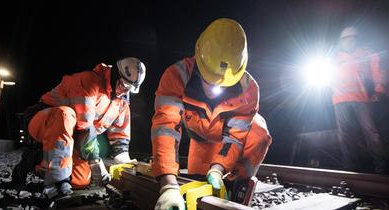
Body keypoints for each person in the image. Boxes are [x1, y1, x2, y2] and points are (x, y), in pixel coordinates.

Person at [151, 18, 272, 210]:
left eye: (224, 83)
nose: (217, 87)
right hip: (200, 140)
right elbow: (166, 129)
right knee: (198, 181)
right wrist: (168, 185)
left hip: (224, 142)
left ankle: (235, 183)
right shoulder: (176, 76)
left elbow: (235, 137)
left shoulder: (249, 90)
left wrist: (218, 169)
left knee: (258, 130)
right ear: (198, 58)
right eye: (211, 80)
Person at [15, 57, 145, 199]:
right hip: (42, 121)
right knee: (65, 114)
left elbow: (120, 138)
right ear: (115, 75)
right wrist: (95, 161)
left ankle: (33, 159)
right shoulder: (88, 82)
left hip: (73, 137)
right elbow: (84, 127)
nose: (123, 91)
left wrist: (125, 163)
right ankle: (57, 184)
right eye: (123, 85)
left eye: (128, 89)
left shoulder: (122, 102)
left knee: (81, 180)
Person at [333, 26, 387, 173]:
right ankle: (350, 166)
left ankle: (381, 166)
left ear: (357, 39)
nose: (349, 41)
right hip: (340, 99)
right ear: (341, 40)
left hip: (362, 98)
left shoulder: (367, 53)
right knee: (345, 134)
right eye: (345, 38)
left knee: (370, 131)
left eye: (352, 37)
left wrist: (379, 89)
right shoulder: (335, 56)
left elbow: (378, 72)